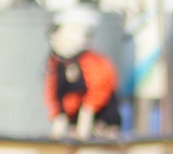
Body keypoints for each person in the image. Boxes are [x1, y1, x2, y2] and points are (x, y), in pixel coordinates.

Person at [43, 7, 121, 140]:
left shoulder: (93, 62)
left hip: (100, 119)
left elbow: (100, 89)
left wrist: (86, 117)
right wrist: (58, 117)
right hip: (72, 122)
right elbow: (53, 94)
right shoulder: (55, 63)